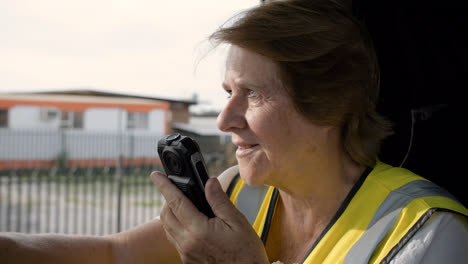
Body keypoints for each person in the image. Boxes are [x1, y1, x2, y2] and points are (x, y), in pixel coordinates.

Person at [1, 0, 467, 263]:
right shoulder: (239, 193)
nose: (225, 120)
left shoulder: (428, 233)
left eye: (254, 94)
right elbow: (112, 253)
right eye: (227, 91)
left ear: (331, 107)